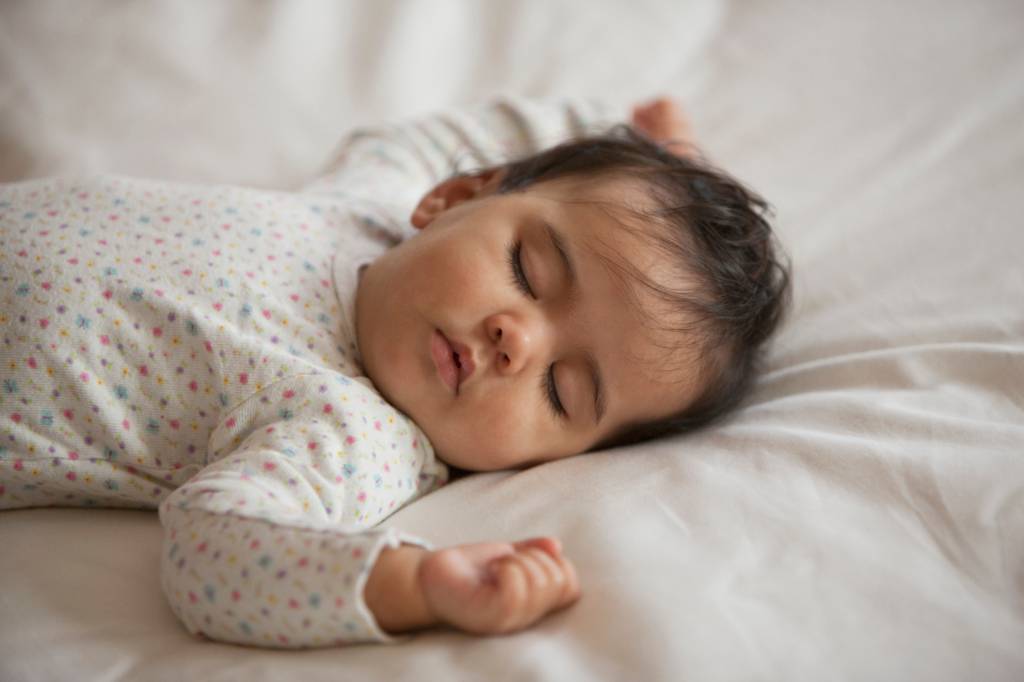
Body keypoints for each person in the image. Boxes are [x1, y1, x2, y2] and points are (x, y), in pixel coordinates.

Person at [0, 96, 789, 647]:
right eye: (528, 268)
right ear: (455, 197)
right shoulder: (365, 206)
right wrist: (667, 163)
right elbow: (473, 130)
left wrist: (414, 586)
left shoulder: (352, 434)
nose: (518, 342)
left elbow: (216, 552)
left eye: (561, 390)